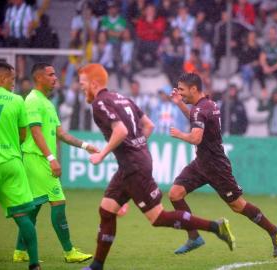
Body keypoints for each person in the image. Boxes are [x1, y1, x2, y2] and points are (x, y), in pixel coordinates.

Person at [78, 64, 235, 270]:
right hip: (133, 163)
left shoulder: (99, 103)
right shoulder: (122, 98)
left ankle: (216, 227)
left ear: (94, 83)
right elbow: (149, 125)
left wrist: (102, 154)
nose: (80, 88)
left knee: (158, 218)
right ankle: (97, 265)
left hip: (134, 167)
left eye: (82, 84)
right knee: (107, 210)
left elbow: (121, 131)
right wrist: (138, 147)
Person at [168, 73, 277, 256]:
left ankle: (274, 231)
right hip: (202, 163)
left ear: (193, 89)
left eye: (181, 89)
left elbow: (196, 137)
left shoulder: (202, 109)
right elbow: (196, 118)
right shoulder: (208, 104)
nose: (180, 93)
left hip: (216, 167)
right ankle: (194, 237)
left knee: (238, 206)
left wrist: (180, 135)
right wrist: (179, 104)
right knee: (175, 194)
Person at [14, 63, 97, 263]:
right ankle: (69, 252)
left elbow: (61, 133)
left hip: (38, 159)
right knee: (58, 202)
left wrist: (85, 145)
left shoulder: (48, 103)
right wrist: (52, 158)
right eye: (51, 75)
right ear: (39, 78)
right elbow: (34, 132)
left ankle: (19, 251)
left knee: (33, 208)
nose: (55, 78)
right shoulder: (33, 100)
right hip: (37, 159)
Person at [0, 62, 41, 270]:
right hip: (12, 163)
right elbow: (24, 134)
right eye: (11, 80)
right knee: (23, 216)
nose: (14, 84)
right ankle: (34, 264)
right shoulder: (17, 101)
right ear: (1, 79)